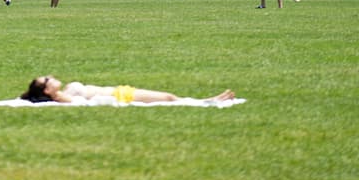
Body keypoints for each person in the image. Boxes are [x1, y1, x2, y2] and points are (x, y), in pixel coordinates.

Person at [20, 75, 236, 105]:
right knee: (169, 98)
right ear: (47, 90)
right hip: (120, 96)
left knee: (169, 97)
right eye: (47, 79)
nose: (51, 76)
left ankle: (207, 101)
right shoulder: (63, 98)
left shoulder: (65, 91)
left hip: (119, 90)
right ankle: (209, 101)